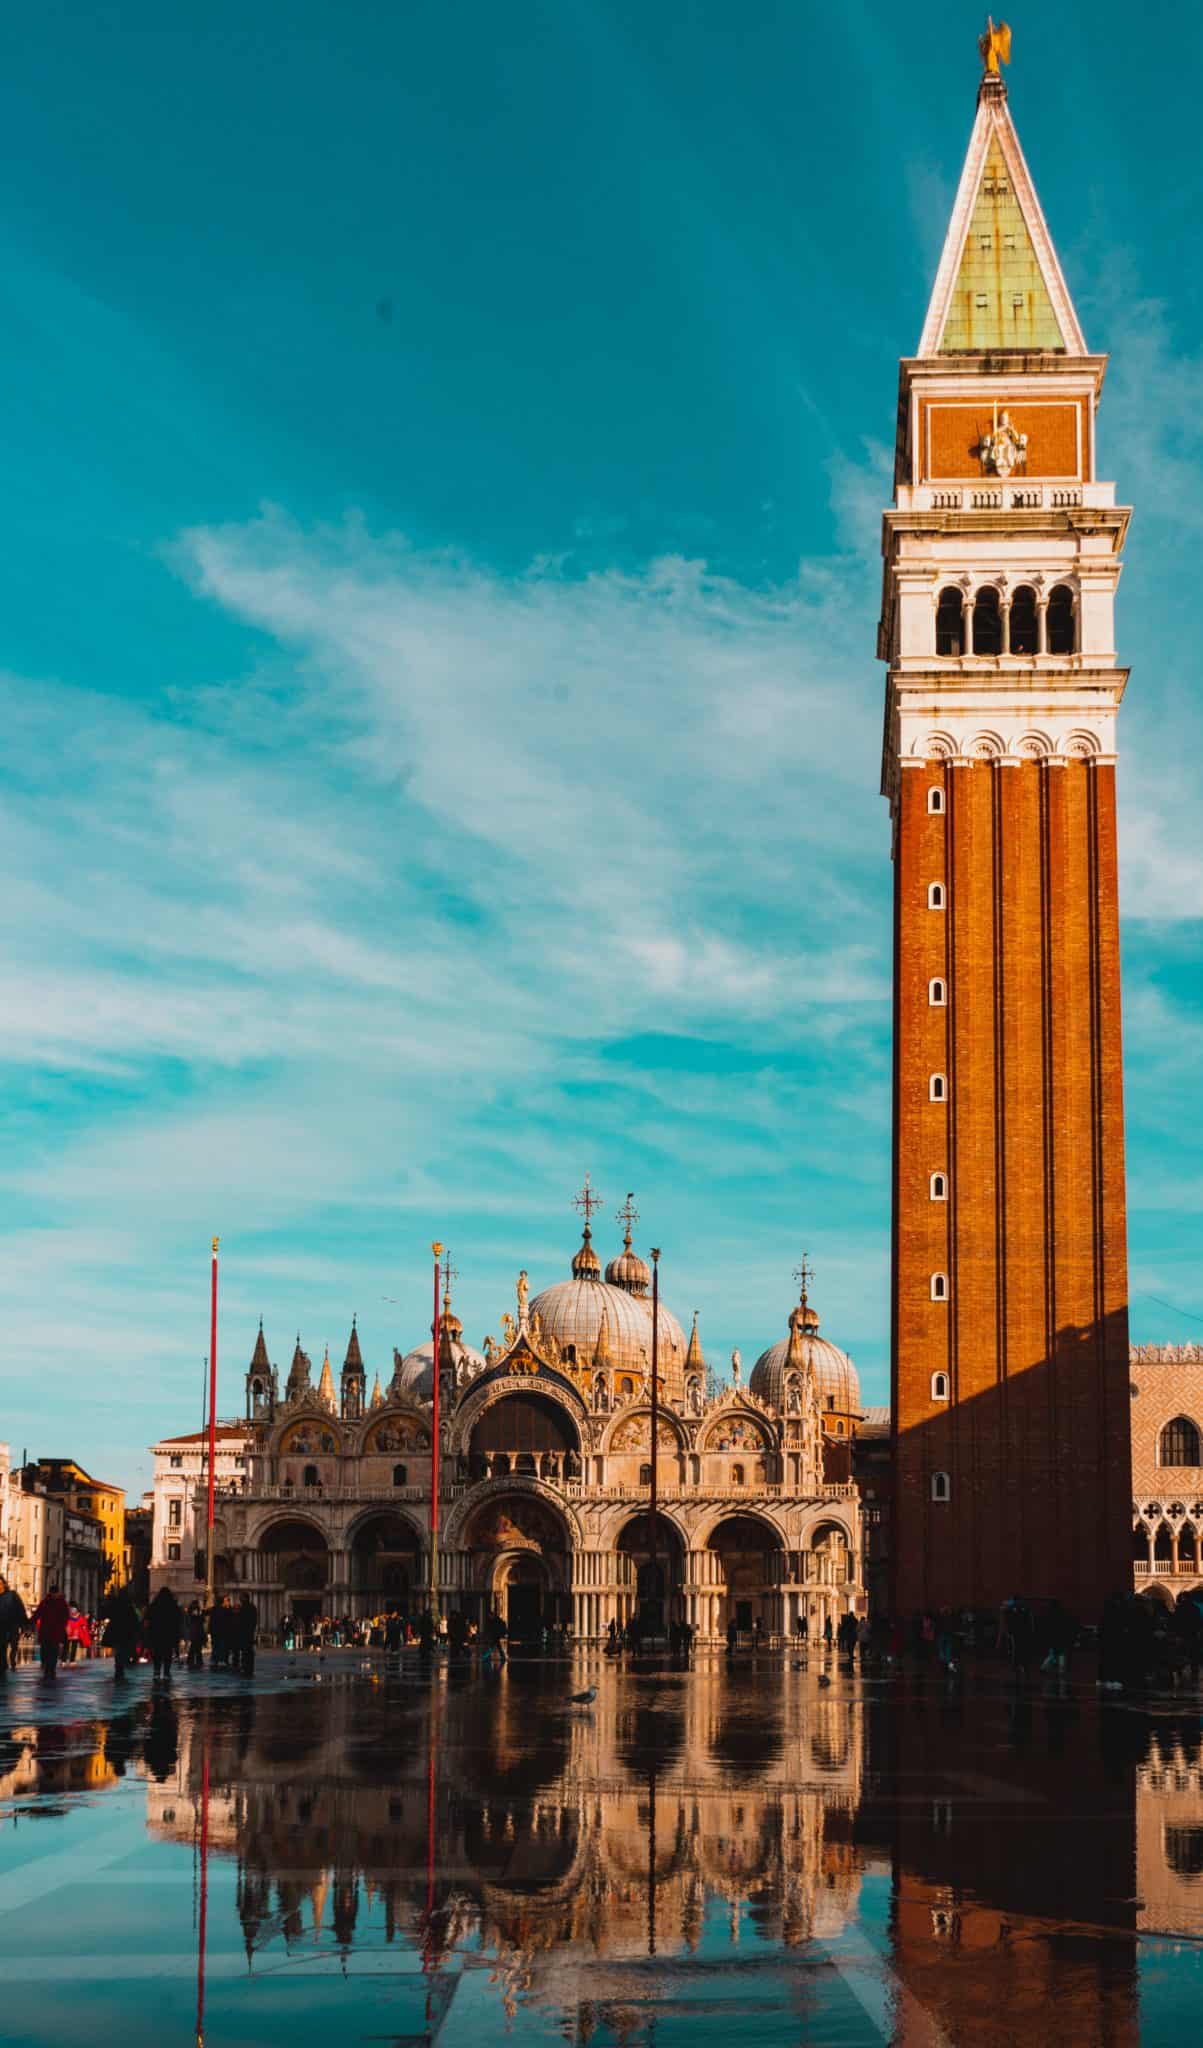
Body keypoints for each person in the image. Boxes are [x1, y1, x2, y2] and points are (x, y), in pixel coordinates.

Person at [32, 1584, 70, 1682]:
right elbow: (37, 1614)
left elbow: (37, 1614)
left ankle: (50, 1670)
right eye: (53, 1593)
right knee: (48, 1651)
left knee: (52, 1651)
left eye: (55, 1593)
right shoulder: (58, 1602)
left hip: (52, 1632)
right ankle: (48, 1669)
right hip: (49, 1632)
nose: (54, 1595)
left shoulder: (49, 1602)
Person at [103, 1587, 141, 1682]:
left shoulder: (116, 1604)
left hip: (116, 1631)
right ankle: (121, 1668)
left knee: (118, 1650)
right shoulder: (129, 1606)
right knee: (123, 1650)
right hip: (126, 1632)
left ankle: (119, 1669)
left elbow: (108, 1613)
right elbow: (134, 1619)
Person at [146, 1586, 182, 1682]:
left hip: (156, 1632)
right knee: (167, 1653)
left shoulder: (154, 1605)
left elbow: (148, 1618)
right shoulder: (173, 1605)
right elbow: (178, 1620)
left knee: (157, 1653)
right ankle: (166, 1672)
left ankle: (156, 1672)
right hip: (169, 1633)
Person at [0, 1579, 27, 1674]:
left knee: (14, 1645)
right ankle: (3, 1664)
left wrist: (24, 1624)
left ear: (4, 1584)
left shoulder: (12, 1595)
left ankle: (12, 1661)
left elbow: (21, 1608)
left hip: (13, 1624)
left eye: (0, 1583)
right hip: (1, 1626)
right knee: (2, 1646)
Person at [234, 1593, 258, 1677]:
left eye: (241, 1598)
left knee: (245, 1652)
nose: (240, 1600)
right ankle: (249, 1669)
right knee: (248, 1652)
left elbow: (239, 1622)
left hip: (244, 1634)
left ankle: (245, 1668)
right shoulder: (252, 1608)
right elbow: (254, 1622)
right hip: (249, 1633)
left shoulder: (243, 1609)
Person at [186, 1601, 206, 1671]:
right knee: (196, 1647)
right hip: (196, 1631)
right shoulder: (193, 1612)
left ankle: (194, 1660)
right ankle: (196, 1661)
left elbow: (202, 1620)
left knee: (196, 1647)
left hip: (196, 1631)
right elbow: (201, 1620)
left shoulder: (195, 1612)